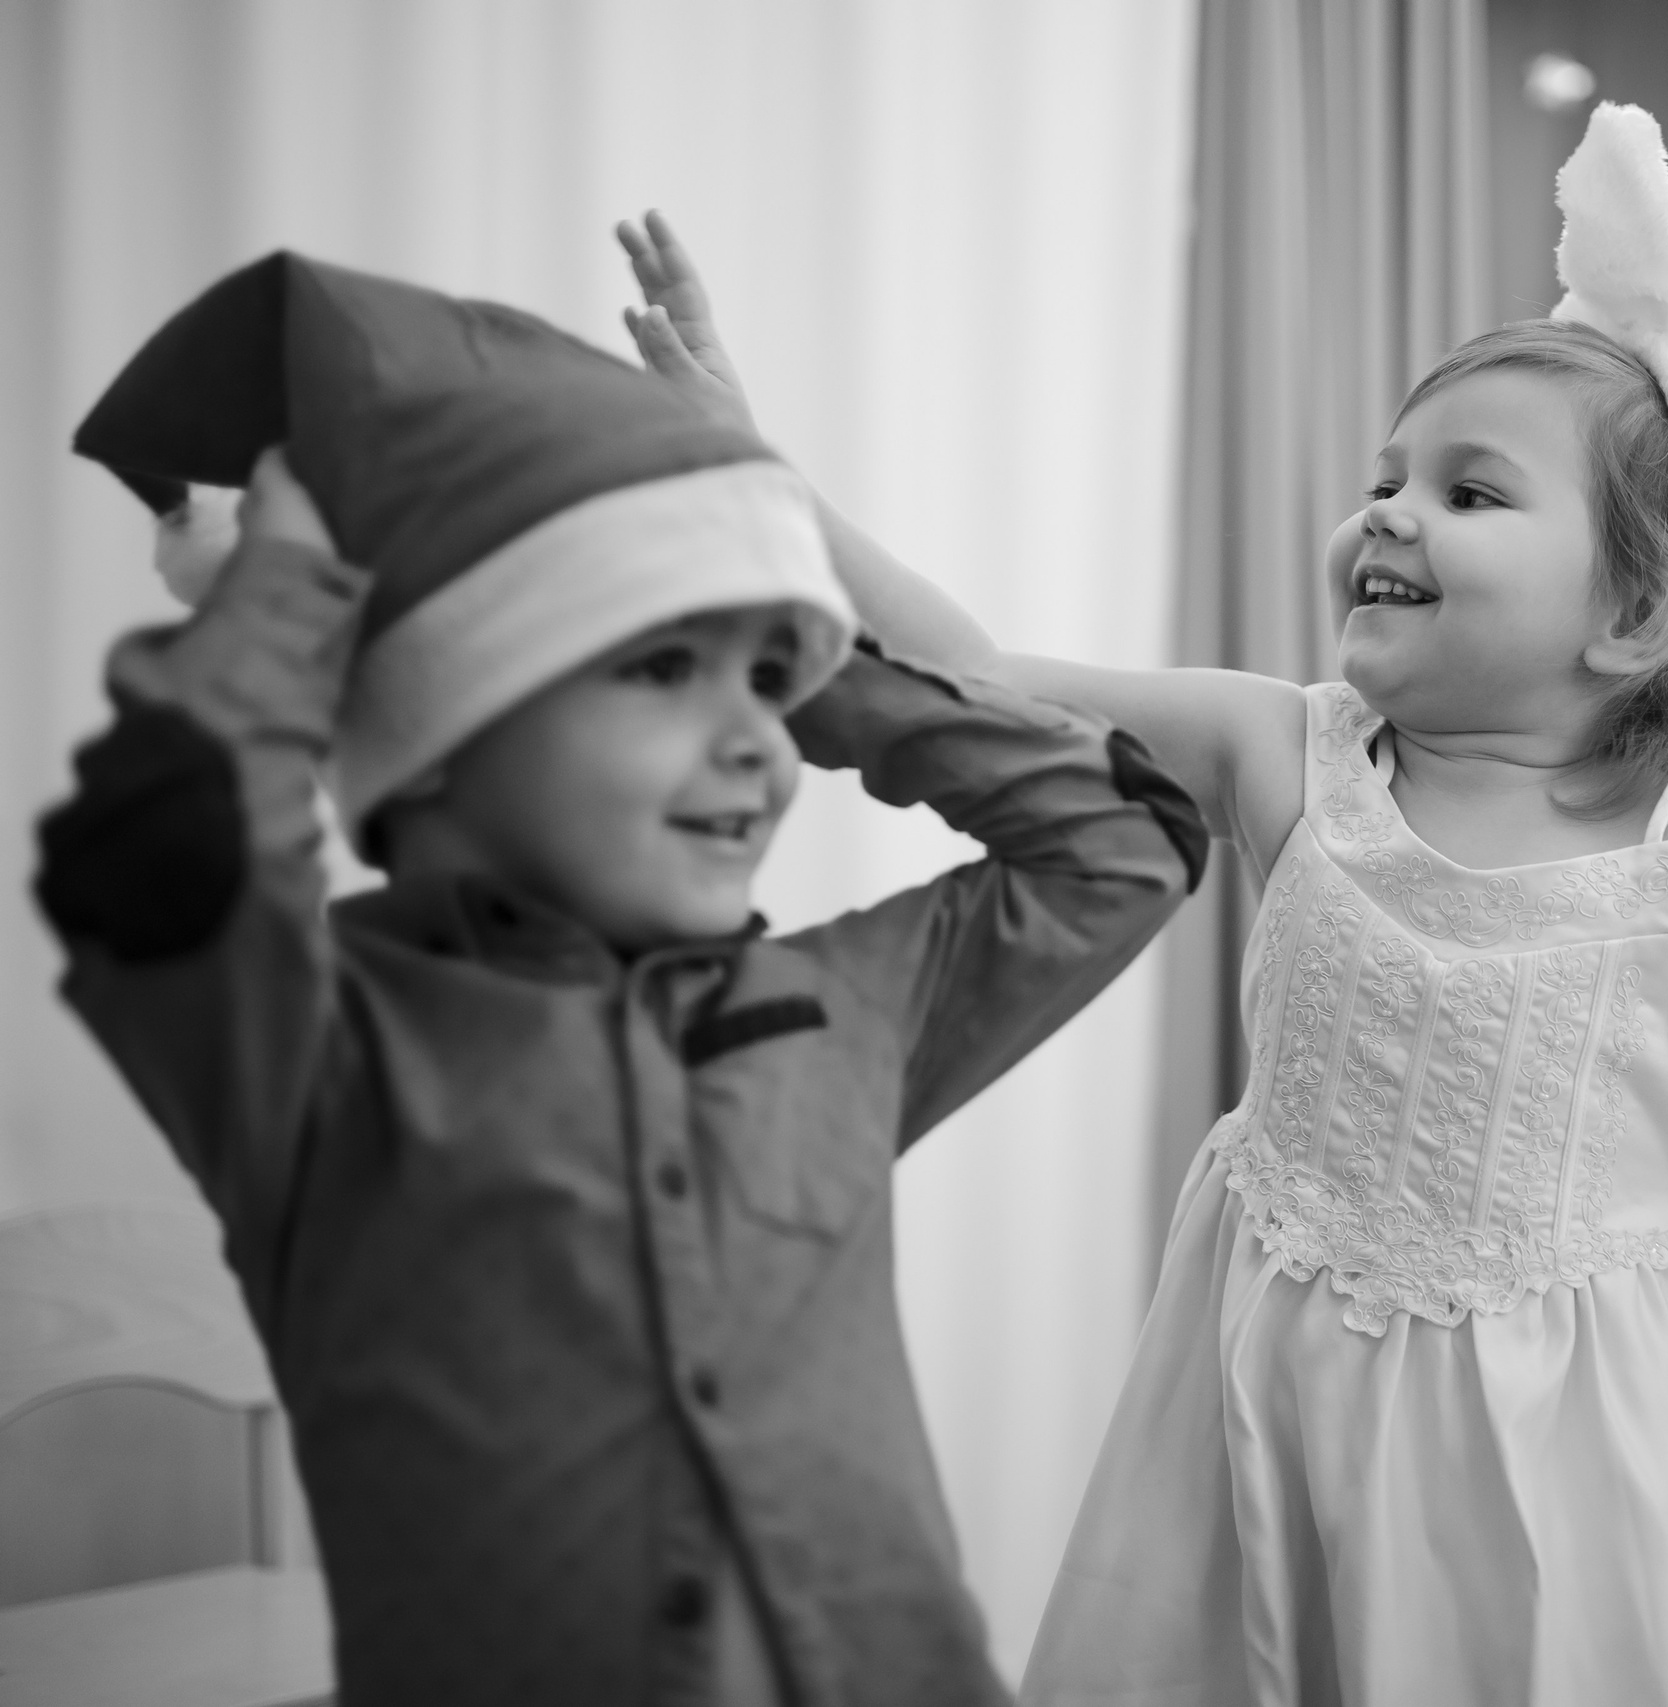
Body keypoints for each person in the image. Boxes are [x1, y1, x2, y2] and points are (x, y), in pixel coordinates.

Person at [626, 100, 1668, 1706]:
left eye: (1471, 493)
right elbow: (976, 676)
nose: (1388, 514)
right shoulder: (1279, 751)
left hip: (1580, 1448)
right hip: (1266, 1400)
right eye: (1386, 478)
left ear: (1638, 611)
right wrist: (754, 474)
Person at [37, 251, 1204, 1707]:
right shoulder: (313, 1054)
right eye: (662, 669)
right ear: (442, 723)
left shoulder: (844, 1011)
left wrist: (775, 593)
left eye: (769, 685)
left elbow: (1124, 843)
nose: (763, 747)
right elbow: (161, 849)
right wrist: (293, 571)